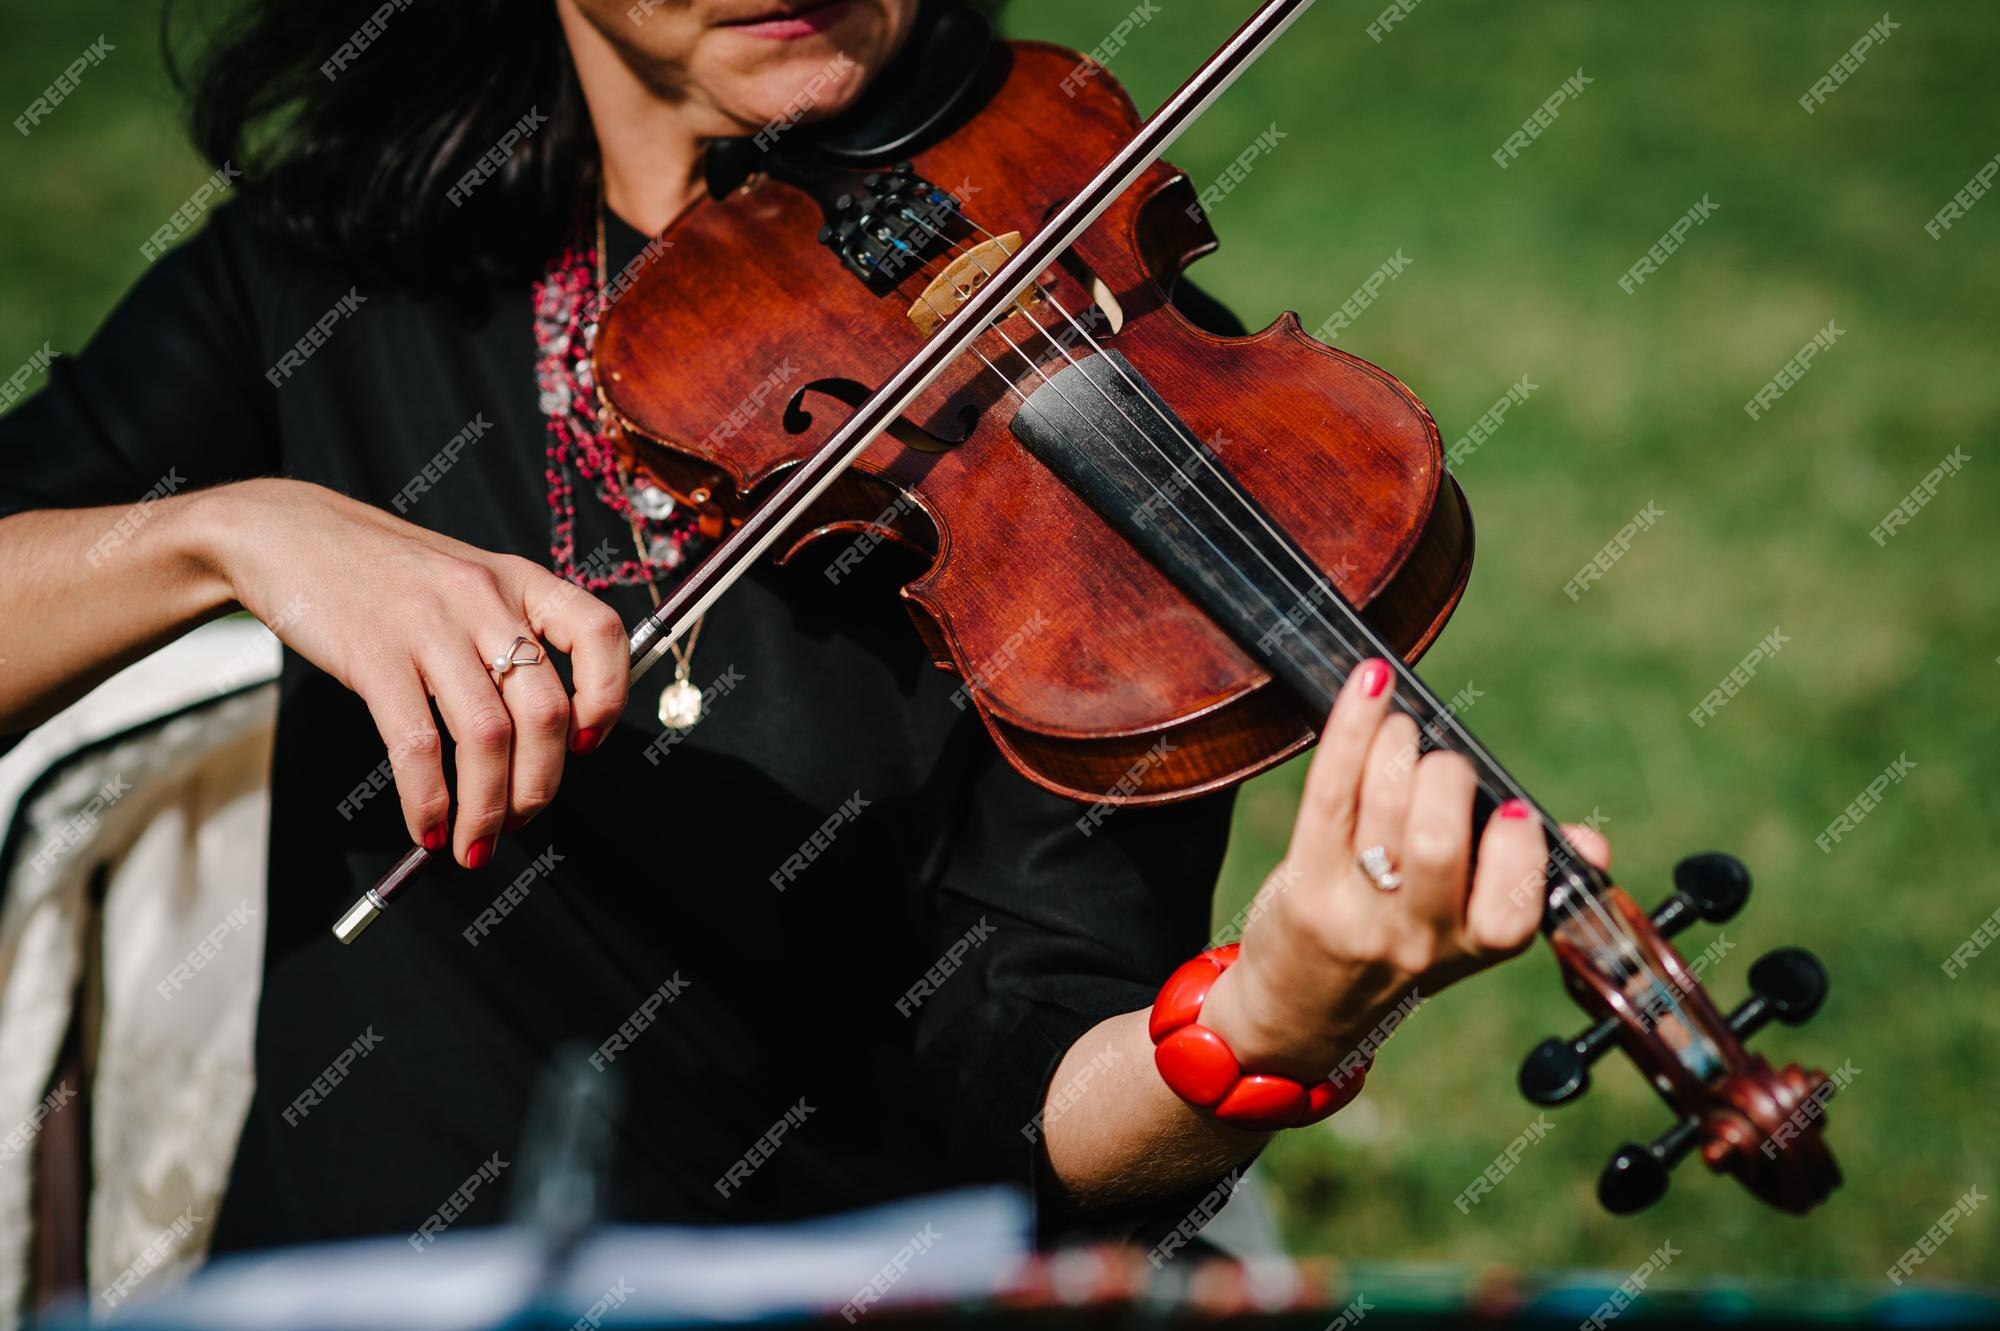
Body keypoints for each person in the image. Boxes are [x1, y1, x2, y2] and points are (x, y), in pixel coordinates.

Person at [0, 0, 1607, 1254]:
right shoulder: (334, 272)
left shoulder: (1060, 315)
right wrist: (226, 531)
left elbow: (1039, 1066)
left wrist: (1265, 1026)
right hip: (369, 1266)